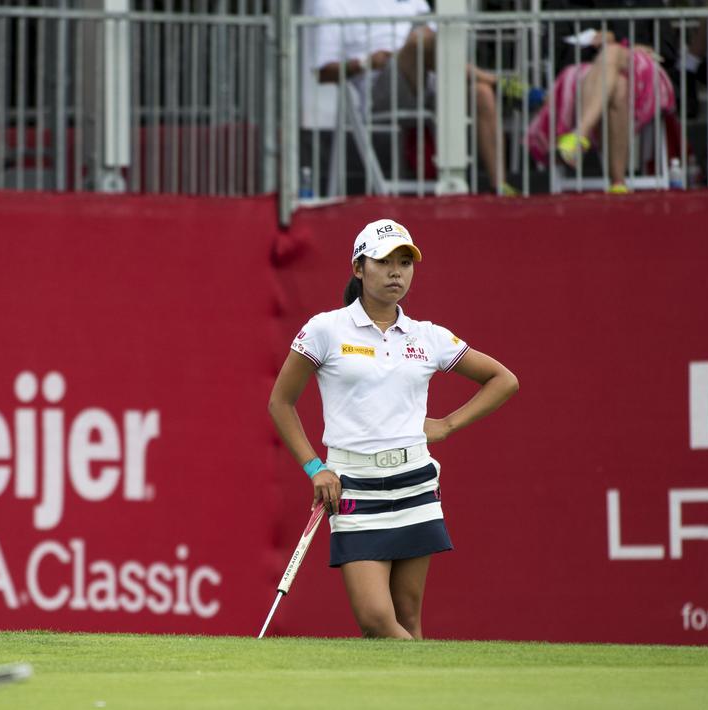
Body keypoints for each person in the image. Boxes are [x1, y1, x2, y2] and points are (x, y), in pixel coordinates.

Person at [267, 219, 518, 639]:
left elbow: (504, 380)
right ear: (359, 268)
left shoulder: (428, 337)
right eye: (383, 262)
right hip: (353, 485)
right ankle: (442, 687)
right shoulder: (326, 329)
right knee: (376, 620)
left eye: (405, 262)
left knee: (408, 620)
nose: (396, 271)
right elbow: (280, 402)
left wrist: (449, 424)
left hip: (414, 483)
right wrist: (315, 468)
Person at [312, 0, 519, 195]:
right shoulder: (332, 4)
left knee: (481, 93)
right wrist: (365, 62)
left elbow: (441, 47)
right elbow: (322, 73)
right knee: (419, 40)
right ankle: (497, 82)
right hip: (380, 87)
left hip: (430, 78)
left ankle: (500, 188)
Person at [527, 0, 678, 193]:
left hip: (645, 79)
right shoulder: (563, 4)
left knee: (613, 52)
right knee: (618, 88)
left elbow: (668, 51)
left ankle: (579, 134)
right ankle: (618, 184)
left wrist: (622, 42)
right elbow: (559, 57)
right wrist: (596, 47)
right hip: (588, 80)